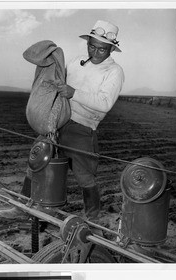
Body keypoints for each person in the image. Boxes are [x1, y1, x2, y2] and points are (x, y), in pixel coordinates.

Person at [57, 20, 125, 222]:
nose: (95, 52)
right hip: (59, 119)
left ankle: (92, 219)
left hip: (83, 127)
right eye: (91, 46)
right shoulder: (76, 62)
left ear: (111, 48)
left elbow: (104, 103)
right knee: (40, 159)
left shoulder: (114, 72)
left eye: (102, 49)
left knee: (84, 176)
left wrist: (73, 93)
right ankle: (33, 206)